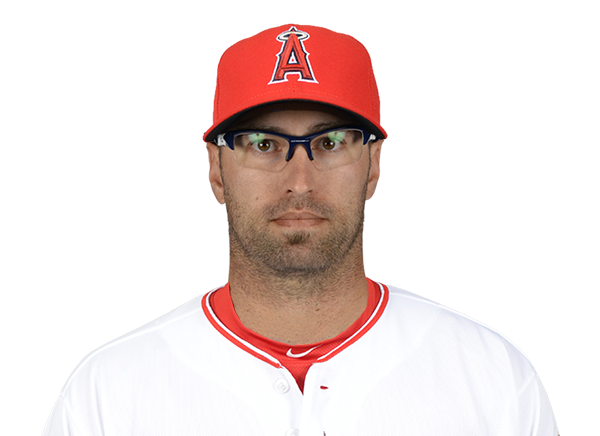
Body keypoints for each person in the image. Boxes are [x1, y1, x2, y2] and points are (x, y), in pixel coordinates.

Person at [43, 25, 557, 435]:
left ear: (373, 165)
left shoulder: (491, 377)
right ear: (216, 171)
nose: (299, 180)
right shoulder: (110, 391)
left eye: (330, 142)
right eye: (263, 144)